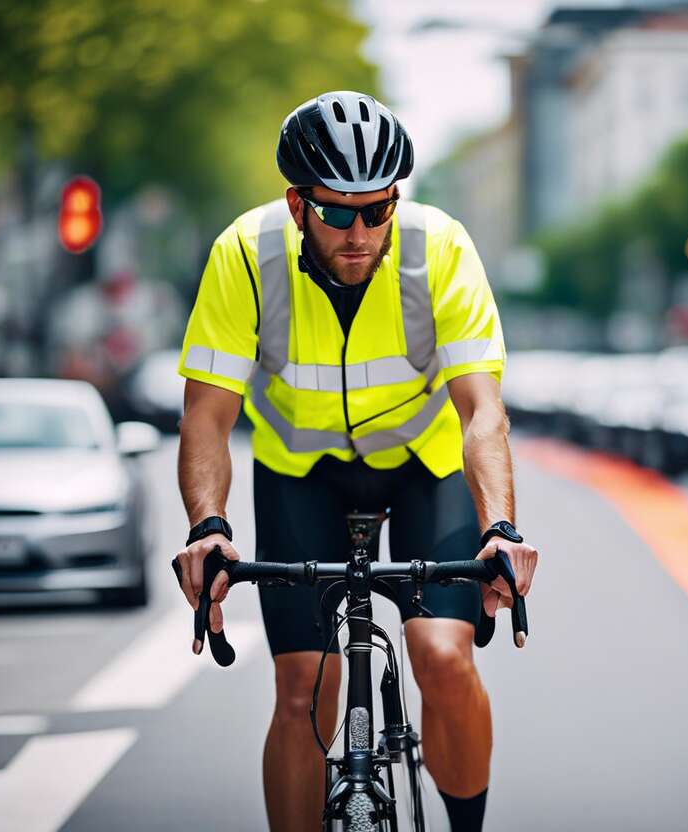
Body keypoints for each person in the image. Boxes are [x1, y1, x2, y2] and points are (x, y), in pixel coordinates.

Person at [172, 90, 538, 832]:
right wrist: (206, 526)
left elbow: (481, 412)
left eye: (378, 209)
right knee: (303, 687)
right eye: (338, 211)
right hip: (300, 474)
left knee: (441, 654)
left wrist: (499, 526)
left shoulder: (440, 248)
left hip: (420, 469)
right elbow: (207, 417)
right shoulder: (245, 255)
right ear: (298, 204)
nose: (361, 231)